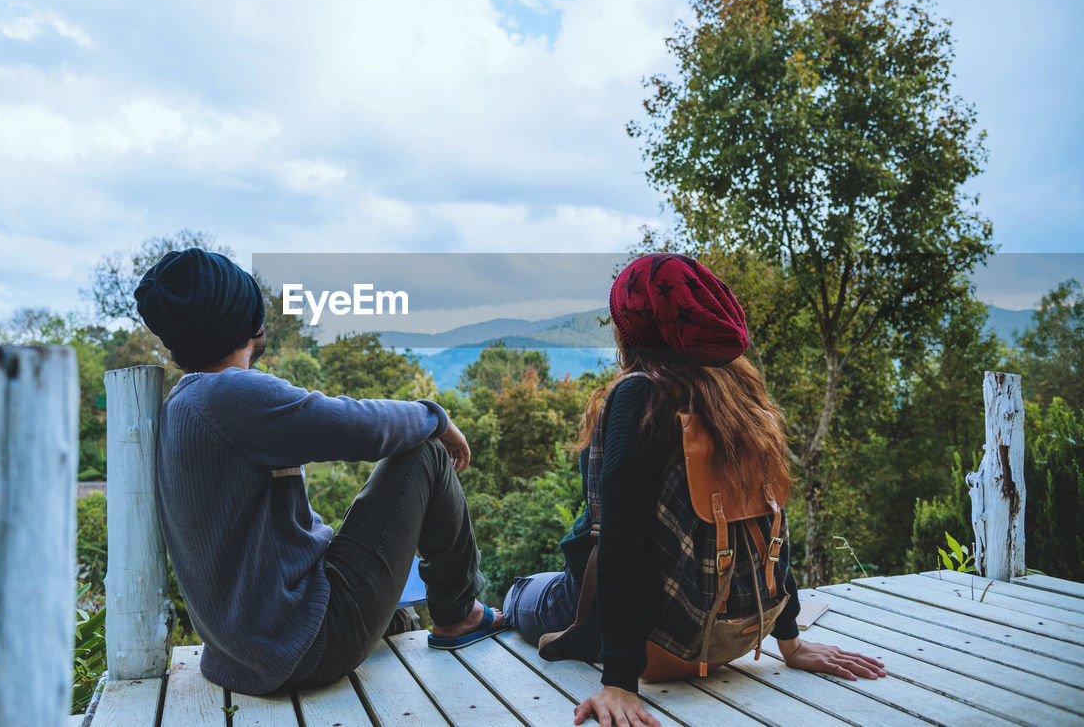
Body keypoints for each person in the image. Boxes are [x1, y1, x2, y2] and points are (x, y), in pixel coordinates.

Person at [503, 253, 886, 727]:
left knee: (520, 593)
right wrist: (790, 640)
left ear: (633, 330)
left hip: (655, 644)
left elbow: (619, 541)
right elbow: (769, 526)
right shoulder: (739, 392)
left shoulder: (638, 394)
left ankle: (500, 604)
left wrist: (619, 682)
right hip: (731, 633)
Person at [134, 248, 505, 696]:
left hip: (244, 653)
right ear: (246, 321)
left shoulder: (184, 403)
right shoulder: (230, 395)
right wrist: (437, 418)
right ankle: (458, 612)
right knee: (423, 451)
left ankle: (403, 616)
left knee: (382, 588)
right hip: (304, 644)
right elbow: (355, 425)